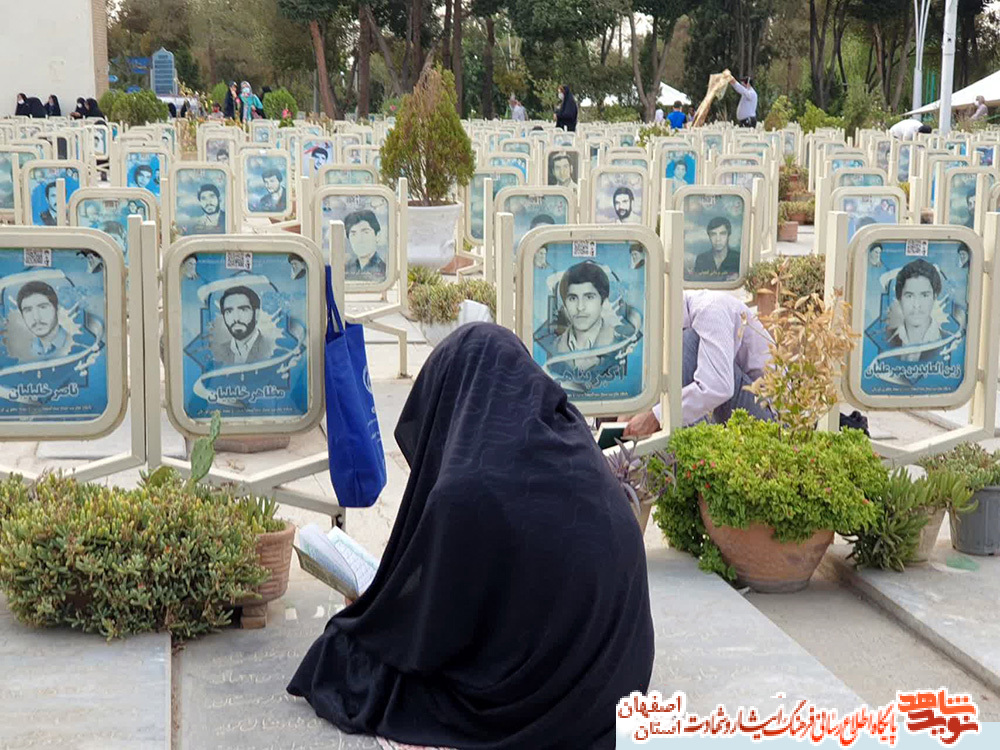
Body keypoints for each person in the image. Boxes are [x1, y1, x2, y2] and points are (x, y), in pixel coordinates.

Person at [288, 324, 654, 748]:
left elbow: (433, 633)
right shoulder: (571, 444)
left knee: (340, 659)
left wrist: (377, 611)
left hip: (549, 701)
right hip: (619, 684)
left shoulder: (470, 488)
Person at [624, 290, 774, 436]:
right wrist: (634, 406)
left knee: (689, 343)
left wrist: (656, 416)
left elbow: (718, 386)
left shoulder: (710, 309)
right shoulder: (683, 318)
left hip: (772, 419)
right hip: (744, 407)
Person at [550, 261, 636, 375]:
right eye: (573, 298)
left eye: (589, 297)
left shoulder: (622, 344)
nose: (580, 307)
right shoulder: (553, 348)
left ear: (603, 302)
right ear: (564, 305)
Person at [882, 259, 954, 363]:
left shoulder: (950, 342)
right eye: (909, 296)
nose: (916, 305)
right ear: (899, 299)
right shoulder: (884, 340)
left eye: (924, 295)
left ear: (934, 297)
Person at [212, 286, 273, 365]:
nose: (236, 318)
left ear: (256, 314)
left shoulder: (271, 348)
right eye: (229, 311)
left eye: (243, 310)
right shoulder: (218, 353)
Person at [16, 282, 74, 360]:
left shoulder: (77, 346)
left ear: (57, 309)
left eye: (43, 307)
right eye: (28, 310)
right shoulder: (25, 355)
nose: (36, 317)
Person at [344, 209, 387, 281]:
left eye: (365, 232)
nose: (359, 239)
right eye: (353, 234)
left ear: (377, 236)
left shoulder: (385, 271)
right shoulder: (347, 270)